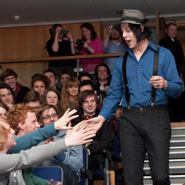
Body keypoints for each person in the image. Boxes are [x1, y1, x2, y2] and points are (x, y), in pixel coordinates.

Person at [87, 9, 183, 185]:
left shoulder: (164, 54)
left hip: (157, 117)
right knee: (131, 179)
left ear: (139, 29)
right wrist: (101, 118)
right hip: (129, 120)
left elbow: (178, 89)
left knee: (160, 176)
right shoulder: (121, 62)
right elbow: (114, 94)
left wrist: (165, 84)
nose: (123, 35)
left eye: (127, 30)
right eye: (122, 31)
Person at [0, 116, 95, 185]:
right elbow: (27, 157)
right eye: (8, 130)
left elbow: (30, 140)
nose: (13, 131)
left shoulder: (10, 150)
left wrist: (55, 127)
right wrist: (66, 142)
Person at [71, 90, 114, 185]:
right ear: (81, 105)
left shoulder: (103, 119)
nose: (90, 104)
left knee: (87, 161)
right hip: (75, 152)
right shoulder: (74, 119)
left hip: (95, 155)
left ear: (96, 102)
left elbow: (106, 142)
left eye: (92, 101)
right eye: (86, 102)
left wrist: (90, 150)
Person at [37, 104, 82, 185]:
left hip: (69, 174)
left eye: (53, 115)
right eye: (47, 117)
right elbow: (32, 164)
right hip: (43, 174)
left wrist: (59, 153)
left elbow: (78, 164)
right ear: (40, 122)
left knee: (56, 169)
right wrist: (45, 148)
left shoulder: (71, 134)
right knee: (45, 164)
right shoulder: (37, 139)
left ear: (58, 117)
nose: (52, 119)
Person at [159, 22, 185, 122]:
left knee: (180, 98)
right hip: (166, 76)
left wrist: (181, 78)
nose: (174, 32)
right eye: (172, 30)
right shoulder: (163, 43)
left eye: (175, 30)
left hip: (177, 75)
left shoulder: (178, 43)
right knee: (170, 100)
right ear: (166, 31)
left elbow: (181, 61)